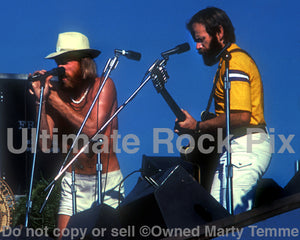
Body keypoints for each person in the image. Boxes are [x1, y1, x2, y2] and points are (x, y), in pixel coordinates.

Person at [175, 7, 272, 214]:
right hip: (236, 149)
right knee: (219, 221)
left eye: (201, 39)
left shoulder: (234, 61)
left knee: (228, 224)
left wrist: (199, 125)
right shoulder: (226, 64)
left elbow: (241, 116)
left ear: (219, 32)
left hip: (245, 148)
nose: (197, 46)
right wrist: (195, 130)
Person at [30, 32, 124, 234]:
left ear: (85, 63)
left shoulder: (103, 86)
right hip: (72, 182)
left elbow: (92, 129)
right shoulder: (55, 93)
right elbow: (45, 144)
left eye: (66, 61)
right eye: (58, 61)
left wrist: (54, 100)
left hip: (107, 181)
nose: (60, 67)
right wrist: (41, 101)